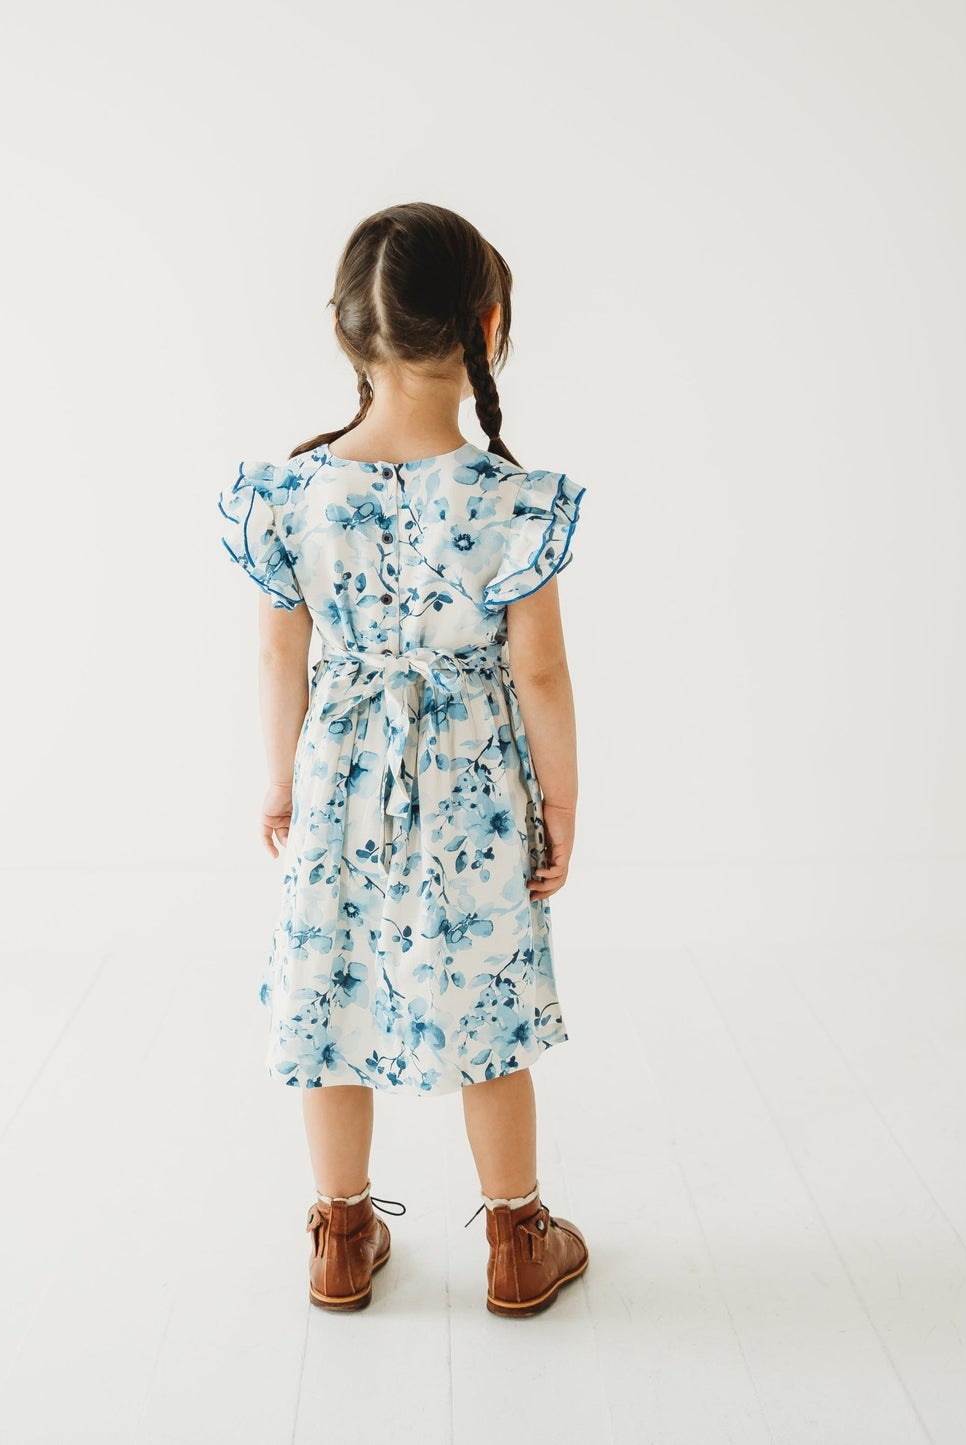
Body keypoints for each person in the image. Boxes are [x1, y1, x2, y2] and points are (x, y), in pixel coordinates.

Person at [216, 202, 588, 1318]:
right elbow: (540, 676)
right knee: (487, 1006)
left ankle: (339, 1231)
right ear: (487, 320)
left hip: (339, 783)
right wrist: (557, 800)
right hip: (473, 788)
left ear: (346, 333)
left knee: (328, 997)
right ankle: (517, 1236)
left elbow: (282, 649)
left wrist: (281, 778)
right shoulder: (510, 501)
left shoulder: (288, 493)